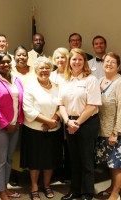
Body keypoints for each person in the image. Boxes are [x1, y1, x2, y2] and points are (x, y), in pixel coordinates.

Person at [58, 48, 101, 200]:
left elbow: (93, 105)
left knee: (86, 160)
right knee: (74, 159)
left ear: (84, 62)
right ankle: (74, 191)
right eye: (74, 59)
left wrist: (76, 123)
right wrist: (68, 121)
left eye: (80, 60)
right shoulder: (65, 80)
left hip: (87, 123)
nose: (77, 62)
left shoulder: (91, 79)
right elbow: (61, 104)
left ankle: (87, 192)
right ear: (69, 61)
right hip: (69, 121)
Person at [20, 56, 63, 200]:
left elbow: (61, 106)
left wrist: (53, 121)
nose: (44, 71)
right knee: (35, 161)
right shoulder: (30, 87)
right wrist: (47, 122)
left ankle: (47, 185)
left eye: (47, 68)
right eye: (41, 68)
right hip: (34, 130)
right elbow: (28, 110)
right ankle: (34, 187)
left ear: (51, 69)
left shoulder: (57, 86)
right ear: (36, 70)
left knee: (50, 160)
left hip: (53, 129)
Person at [0, 52, 24, 200]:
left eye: (8, 62)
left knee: (9, 158)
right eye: (2, 62)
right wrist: (5, 123)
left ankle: (5, 187)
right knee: (1, 159)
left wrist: (19, 121)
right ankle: (1, 191)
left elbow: (21, 102)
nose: (5, 65)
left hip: (15, 125)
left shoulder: (17, 80)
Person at [95, 52, 121, 200]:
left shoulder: (119, 82)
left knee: (116, 164)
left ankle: (116, 193)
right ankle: (112, 187)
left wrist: (116, 132)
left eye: (113, 62)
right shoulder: (99, 81)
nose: (109, 64)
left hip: (114, 131)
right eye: (106, 61)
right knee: (110, 163)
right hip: (101, 130)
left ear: (118, 66)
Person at [10, 45, 36, 186]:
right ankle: (15, 172)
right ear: (14, 57)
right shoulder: (10, 71)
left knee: (30, 143)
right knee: (16, 143)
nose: (21, 57)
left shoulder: (34, 71)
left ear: (28, 57)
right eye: (19, 55)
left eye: (24, 55)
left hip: (32, 112)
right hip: (17, 112)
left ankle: (29, 170)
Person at [50, 47, 71, 182]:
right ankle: (56, 172)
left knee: (69, 146)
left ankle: (68, 173)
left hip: (68, 113)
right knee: (56, 145)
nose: (60, 60)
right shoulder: (51, 75)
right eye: (57, 57)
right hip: (53, 114)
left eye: (63, 57)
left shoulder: (71, 74)